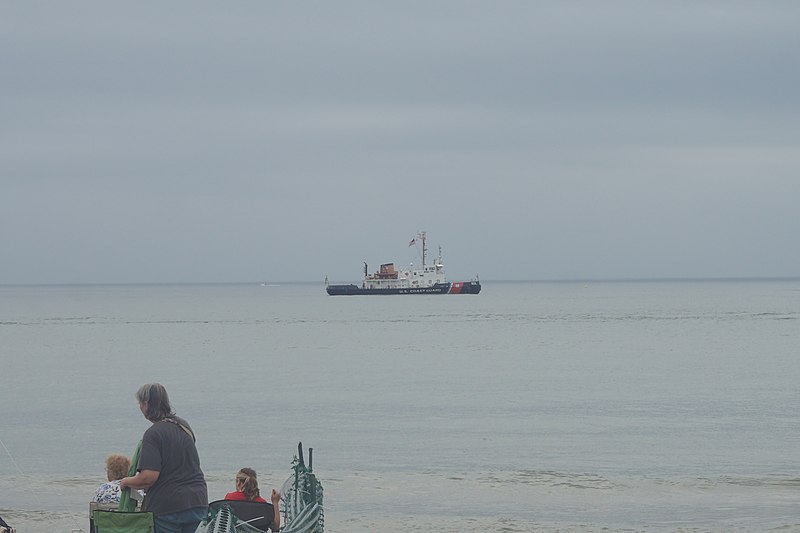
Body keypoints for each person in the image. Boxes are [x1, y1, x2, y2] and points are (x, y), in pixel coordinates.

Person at [119, 383, 208, 533]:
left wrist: (126, 481)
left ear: (147, 404)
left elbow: (149, 477)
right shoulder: (184, 426)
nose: (140, 407)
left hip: (168, 506)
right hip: (197, 500)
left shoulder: (153, 434)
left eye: (140, 403)